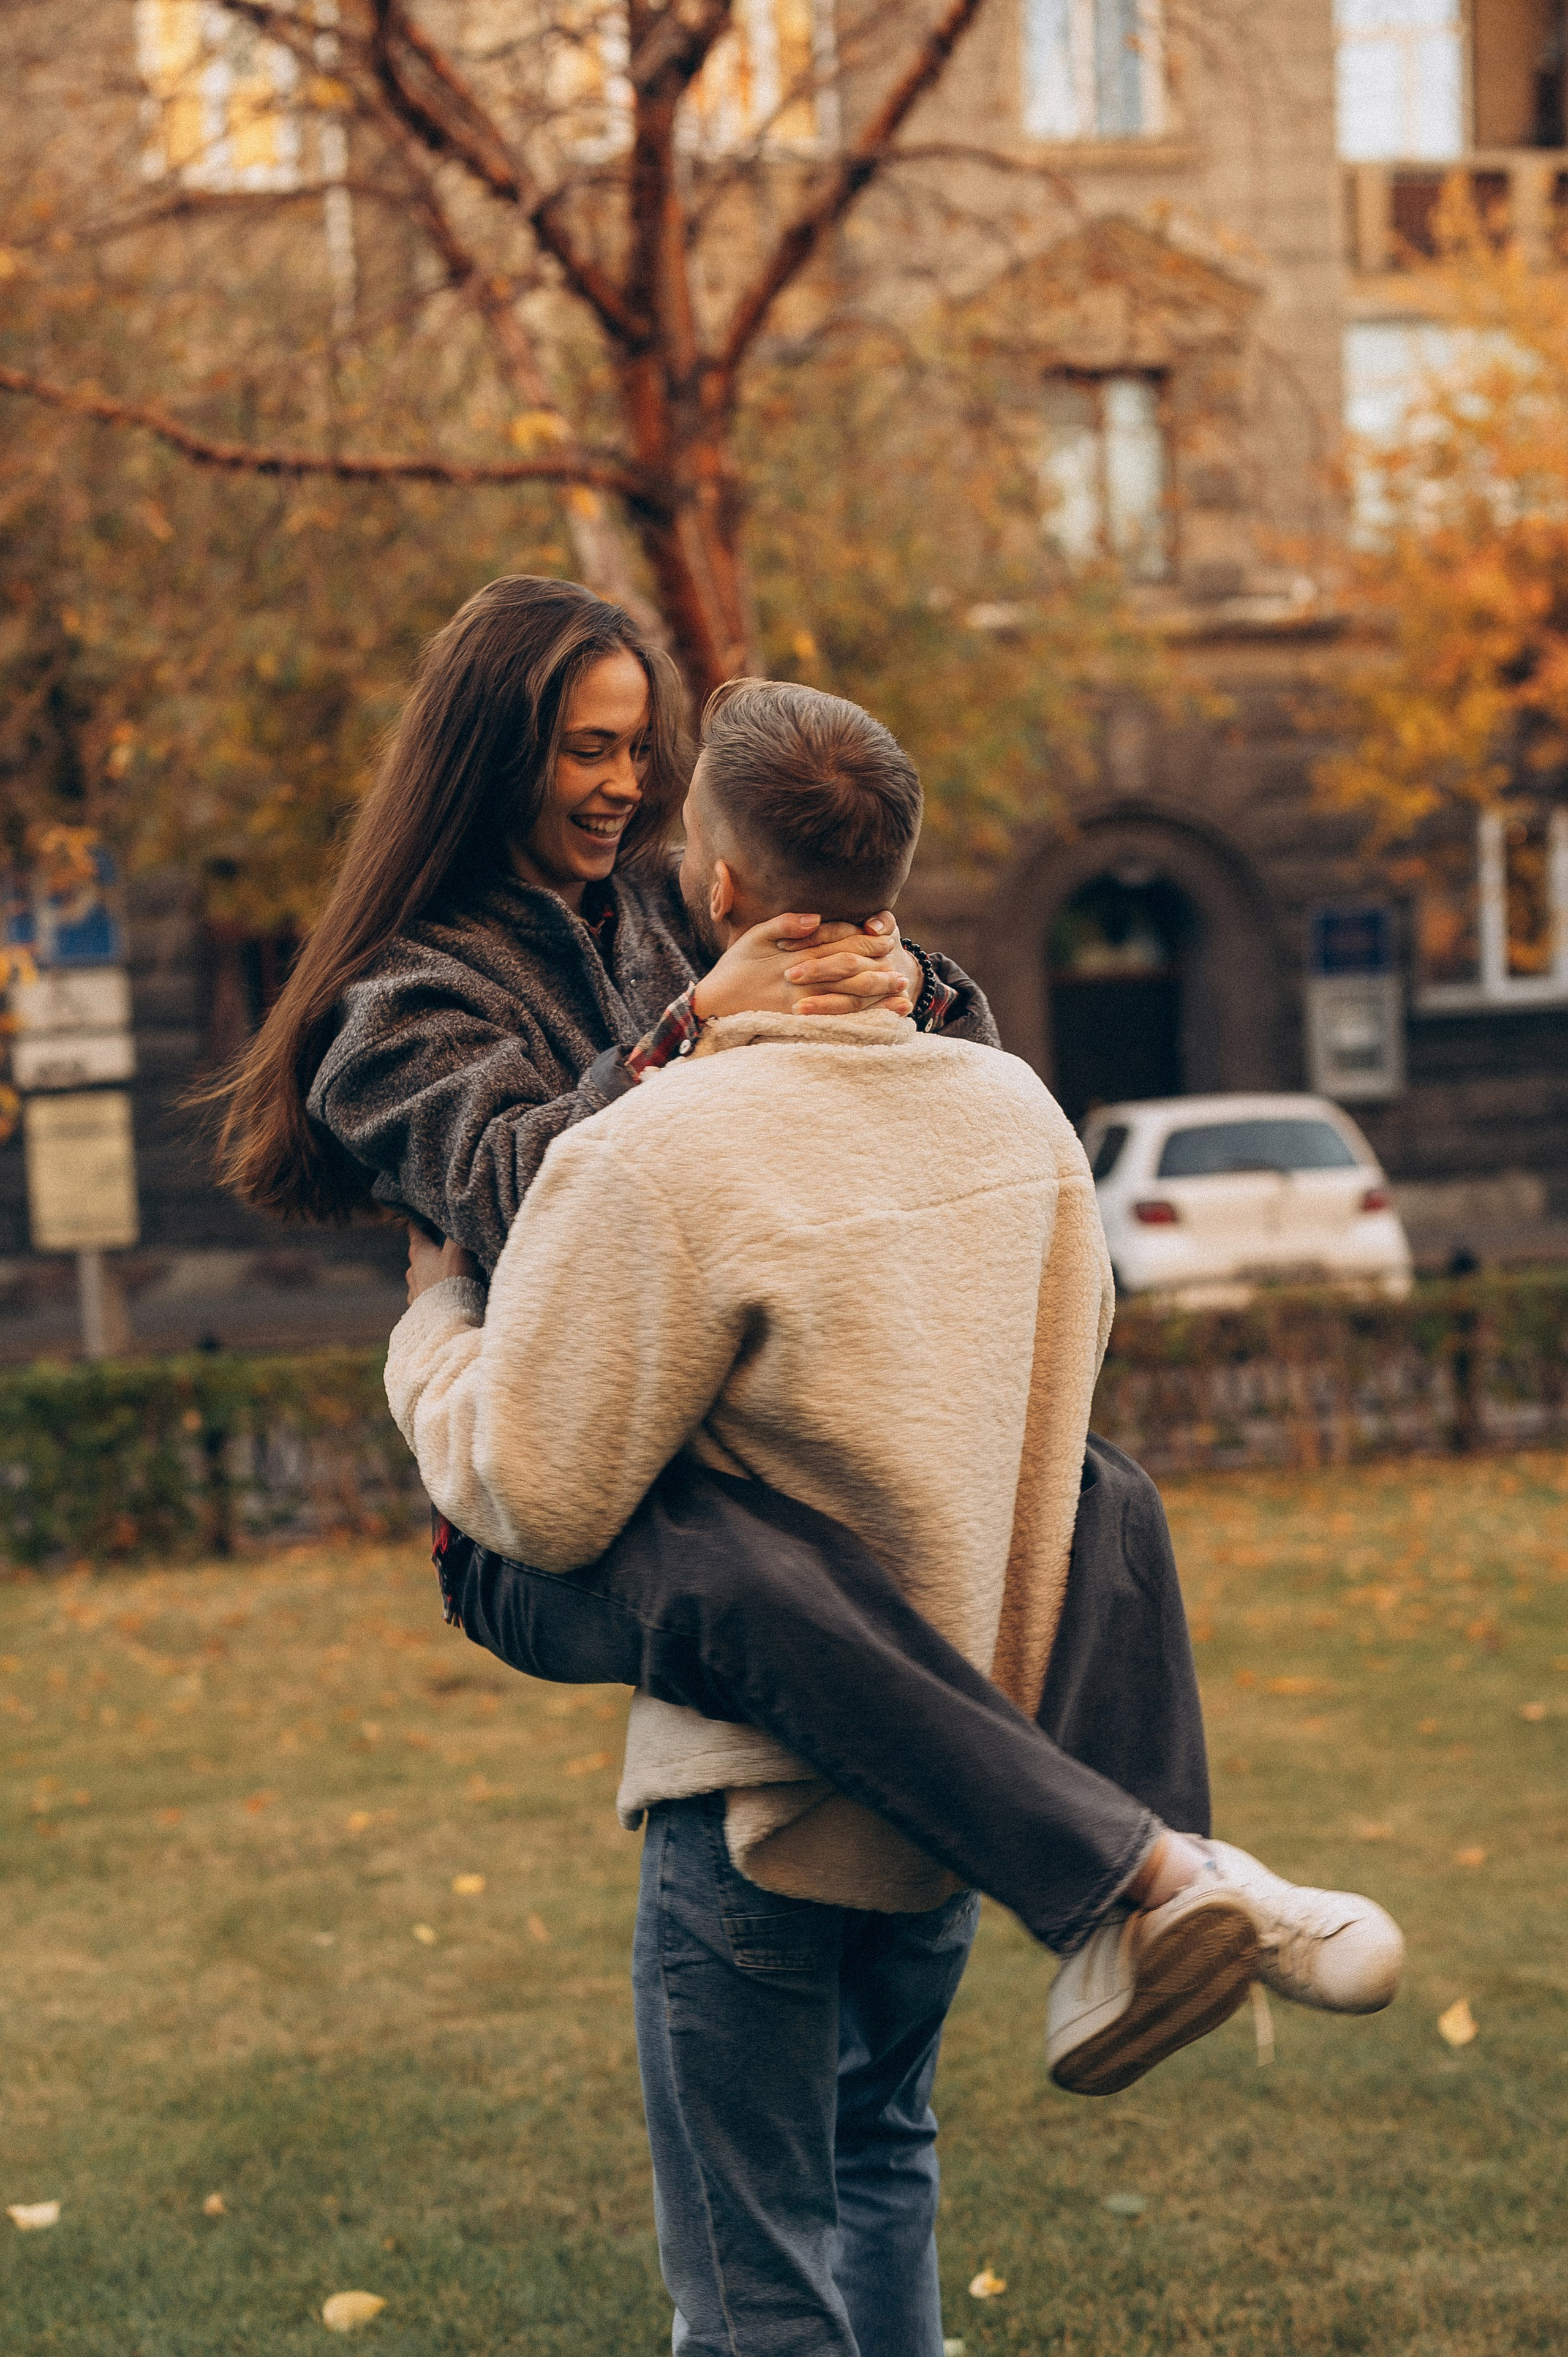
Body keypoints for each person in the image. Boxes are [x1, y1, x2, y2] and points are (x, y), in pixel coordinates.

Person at [213, 575, 1396, 2051]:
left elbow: (903, 1076)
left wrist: (902, 973)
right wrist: (694, 1023)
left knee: (1100, 1495)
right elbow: (515, 1194)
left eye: (636, 748)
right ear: (490, 752)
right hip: (545, 1495)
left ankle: (1154, 1930)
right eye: (586, 749)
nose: (623, 785)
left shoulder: (667, 894)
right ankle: (1138, 1878)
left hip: (735, 1413)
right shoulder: (398, 1001)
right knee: (736, 1572)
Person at [383, 678, 1402, 2355]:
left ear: (715, 888)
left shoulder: (655, 1150)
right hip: (953, 1806)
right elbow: (1049, 1418)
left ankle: (1144, 1875)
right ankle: (1154, 1874)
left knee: (754, 2296)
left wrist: (434, 1335)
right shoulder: (1018, 1112)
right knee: (882, 2184)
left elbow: (541, 1497)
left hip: (759, 1816)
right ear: (896, 883)